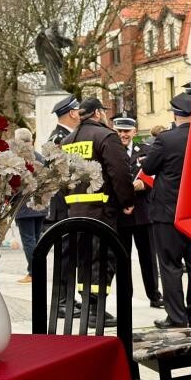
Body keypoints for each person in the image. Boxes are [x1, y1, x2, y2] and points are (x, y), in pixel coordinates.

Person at [62, 98, 135, 327]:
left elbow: (61, 176)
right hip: (101, 209)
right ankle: (96, 311)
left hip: (75, 210)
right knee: (102, 259)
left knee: (85, 260)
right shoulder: (105, 136)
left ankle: (87, 306)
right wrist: (127, 200)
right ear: (96, 113)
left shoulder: (67, 140)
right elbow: (119, 172)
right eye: (103, 111)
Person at [141, 92, 191, 329]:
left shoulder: (166, 139)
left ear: (176, 114)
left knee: (170, 266)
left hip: (167, 213)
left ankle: (176, 317)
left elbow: (148, 167)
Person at [113, 114, 162, 308]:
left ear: (134, 131)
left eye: (126, 131)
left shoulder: (147, 150)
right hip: (120, 213)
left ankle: (154, 295)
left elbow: (157, 174)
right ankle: (125, 297)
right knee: (122, 259)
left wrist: (146, 184)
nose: (123, 135)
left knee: (148, 257)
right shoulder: (109, 151)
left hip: (143, 212)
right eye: (119, 131)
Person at [13, 127, 45, 284]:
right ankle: (38, 271)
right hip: (41, 204)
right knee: (37, 240)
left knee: (29, 240)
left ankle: (34, 273)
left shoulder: (16, 159)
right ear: (31, 140)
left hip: (24, 205)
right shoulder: (40, 157)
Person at [45, 95, 80, 231]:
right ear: (72, 113)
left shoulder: (67, 136)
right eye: (79, 111)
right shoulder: (59, 139)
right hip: (63, 203)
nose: (81, 114)